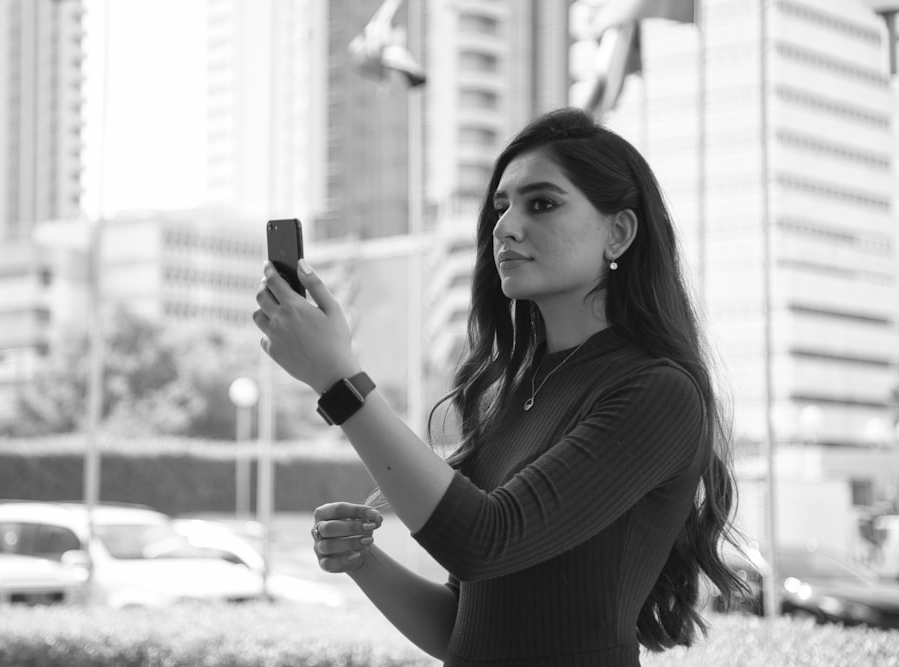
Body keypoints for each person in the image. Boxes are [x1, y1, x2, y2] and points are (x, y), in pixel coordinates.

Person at [253, 107, 748, 666]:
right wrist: (362, 560)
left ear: (619, 232)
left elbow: (484, 540)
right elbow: (464, 630)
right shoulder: (515, 393)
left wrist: (339, 382)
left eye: (542, 203)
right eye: (500, 207)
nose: (506, 226)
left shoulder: (657, 392)